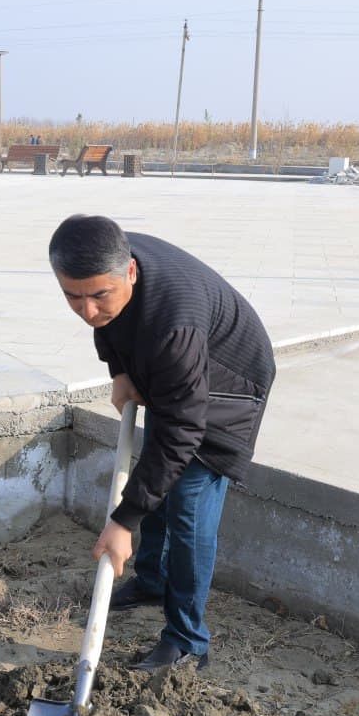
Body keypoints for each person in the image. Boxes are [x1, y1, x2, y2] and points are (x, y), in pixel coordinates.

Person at [48, 215, 275, 673]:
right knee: (155, 473)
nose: (87, 310)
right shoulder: (109, 260)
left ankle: (189, 640)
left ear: (130, 272)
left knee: (187, 506)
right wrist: (120, 370)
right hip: (178, 377)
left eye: (98, 296)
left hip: (227, 389)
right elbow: (110, 324)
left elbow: (183, 431)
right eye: (73, 296)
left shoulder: (174, 325)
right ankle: (151, 581)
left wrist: (122, 521)